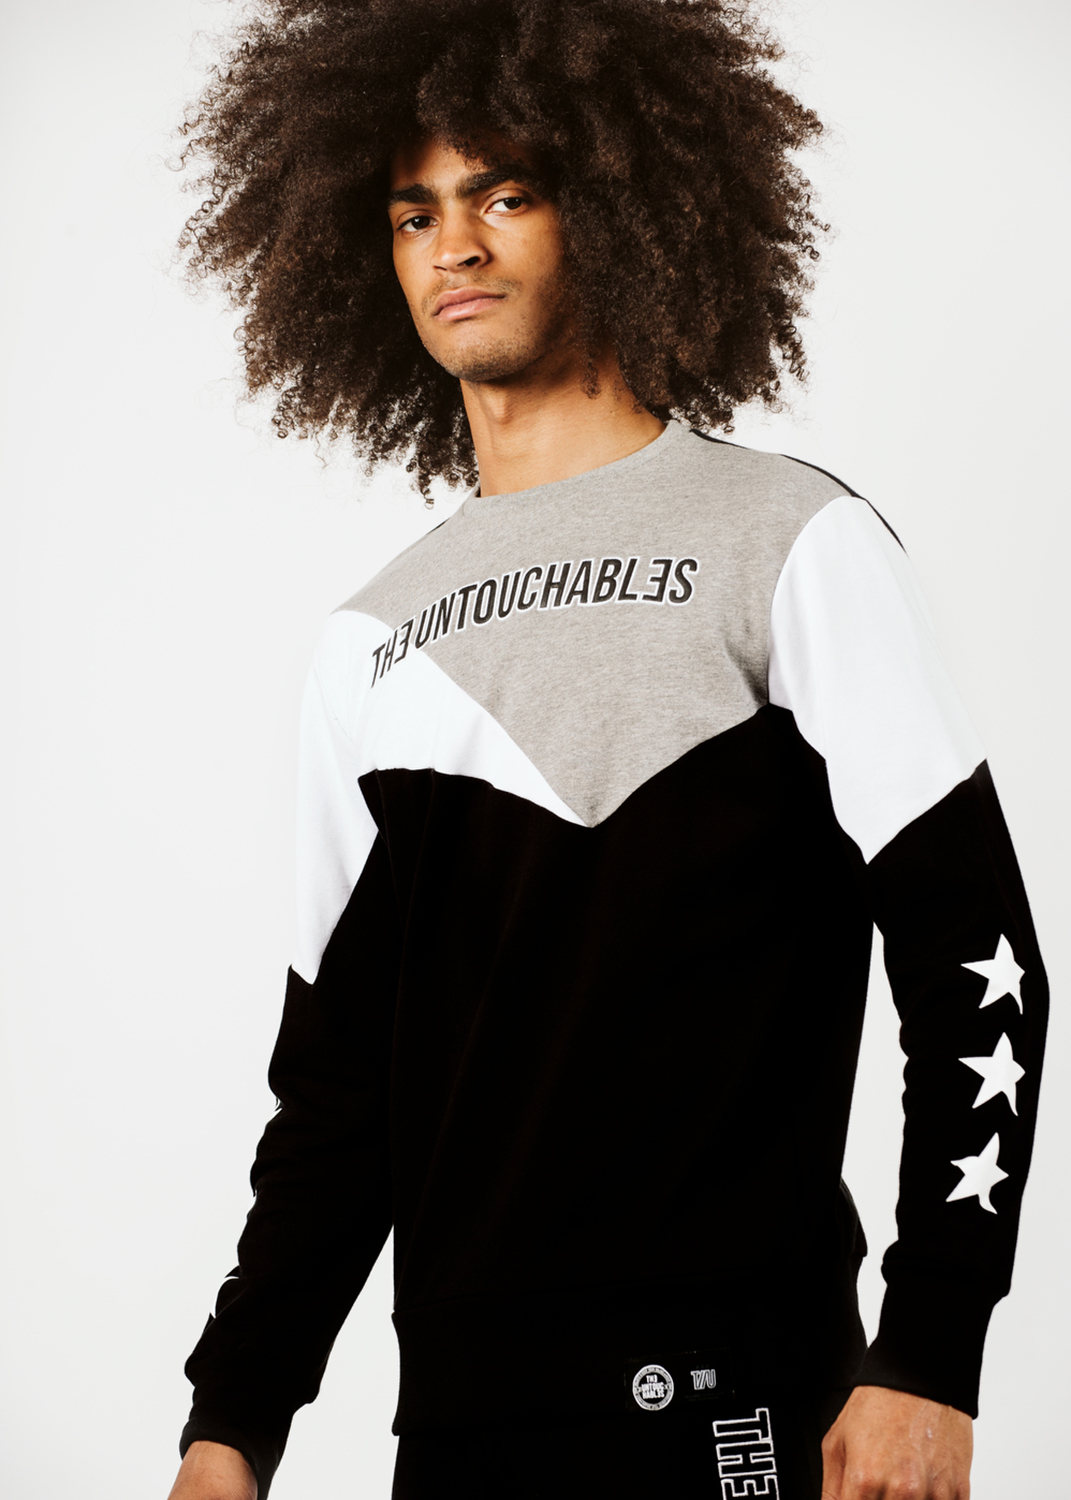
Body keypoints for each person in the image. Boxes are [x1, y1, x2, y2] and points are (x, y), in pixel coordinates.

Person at [166, 2, 1047, 1497]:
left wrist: (931, 1351)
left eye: (505, 194)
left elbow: (979, 958)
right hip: (460, 1431)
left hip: (737, 1399)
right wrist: (230, 1427)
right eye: (415, 212)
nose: (456, 245)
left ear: (622, 205)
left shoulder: (792, 541)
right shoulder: (369, 645)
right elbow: (336, 1096)